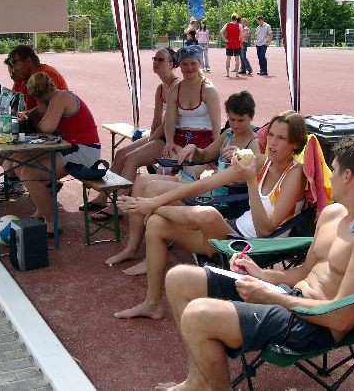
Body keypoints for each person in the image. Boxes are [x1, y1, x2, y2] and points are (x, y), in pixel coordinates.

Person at [155, 137, 354, 391]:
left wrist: (270, 297)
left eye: (334, 170)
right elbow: (305, 272)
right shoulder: (333, 214)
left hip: (316, 323)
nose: (329, 177)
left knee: (198, 315)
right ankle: (198, 382)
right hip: (290, 298)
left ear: (347, 176)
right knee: (179, 278)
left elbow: (340, 318)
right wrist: (260, 273)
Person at [114, 110, 308, 319]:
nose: (272, 142)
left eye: (281, 138)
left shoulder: (295, 174)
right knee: (155, 224)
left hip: (256, 247)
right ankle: (152, 304)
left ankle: (152, 207)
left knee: (209, 214)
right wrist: (155, 201)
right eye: (270, 135)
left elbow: (265, 229)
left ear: (295, 144)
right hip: (230, 232)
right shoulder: (262, 161)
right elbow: (204, 185)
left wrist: (251, 181)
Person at [105, 90, 259, 274]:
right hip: (208, 184)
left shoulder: (253, 143)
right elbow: (206, 155)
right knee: (141, 182)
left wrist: (239, 160)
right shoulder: (228, 134)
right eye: (232, 119)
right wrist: (194, 148)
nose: (236, 125)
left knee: (153, 189)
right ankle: (132, 248)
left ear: (251, 117)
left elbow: (253, 177)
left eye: (241, 120)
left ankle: (151, 256)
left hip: (221, 194)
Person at [81, 48, 179, 215]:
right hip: (160, 135)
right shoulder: (161, 88)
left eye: (161, 60)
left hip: (173, 138)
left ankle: (118, 206)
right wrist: (149, 138)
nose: (156, 62)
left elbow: (168, 122)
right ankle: (103, 197)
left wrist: (150, 141)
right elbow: (157, 120)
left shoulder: (176, 86)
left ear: (171, 64)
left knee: (131, 158)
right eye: (154, 59)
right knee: (121, 153)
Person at [14, 72, 100, 236]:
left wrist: (40, 109)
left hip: (84, 150)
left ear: (39, 95)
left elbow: (46, 128)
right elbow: (27, 116)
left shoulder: (60, 97)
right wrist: (35, 111)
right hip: (69, 146)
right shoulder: (55, 98)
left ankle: (52, 223)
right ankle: (42, 210)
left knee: (30, 174)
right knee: (20, 162)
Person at [0, 45, 69, 196]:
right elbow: (16, 108)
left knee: (12, 162)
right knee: (0, 155)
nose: (13, 69)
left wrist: (21, 119)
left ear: (29, 61)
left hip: (57, 137)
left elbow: (43, 120)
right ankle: (43, 184)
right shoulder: (23, 78)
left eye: (15, 63)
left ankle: (44, 184)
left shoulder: (45, 76)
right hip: (40, 132)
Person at [220, 13, 243, 78]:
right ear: (236, 19)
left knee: (228, 59)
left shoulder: (227, 24)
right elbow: (241, 36)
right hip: (237, 43)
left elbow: (221, 32)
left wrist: (225, 40)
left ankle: (227, 73)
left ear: (231, 18)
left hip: (229, 43)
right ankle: (237, 73)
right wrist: (241, 43)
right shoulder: (239, 25)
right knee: (237, 59)